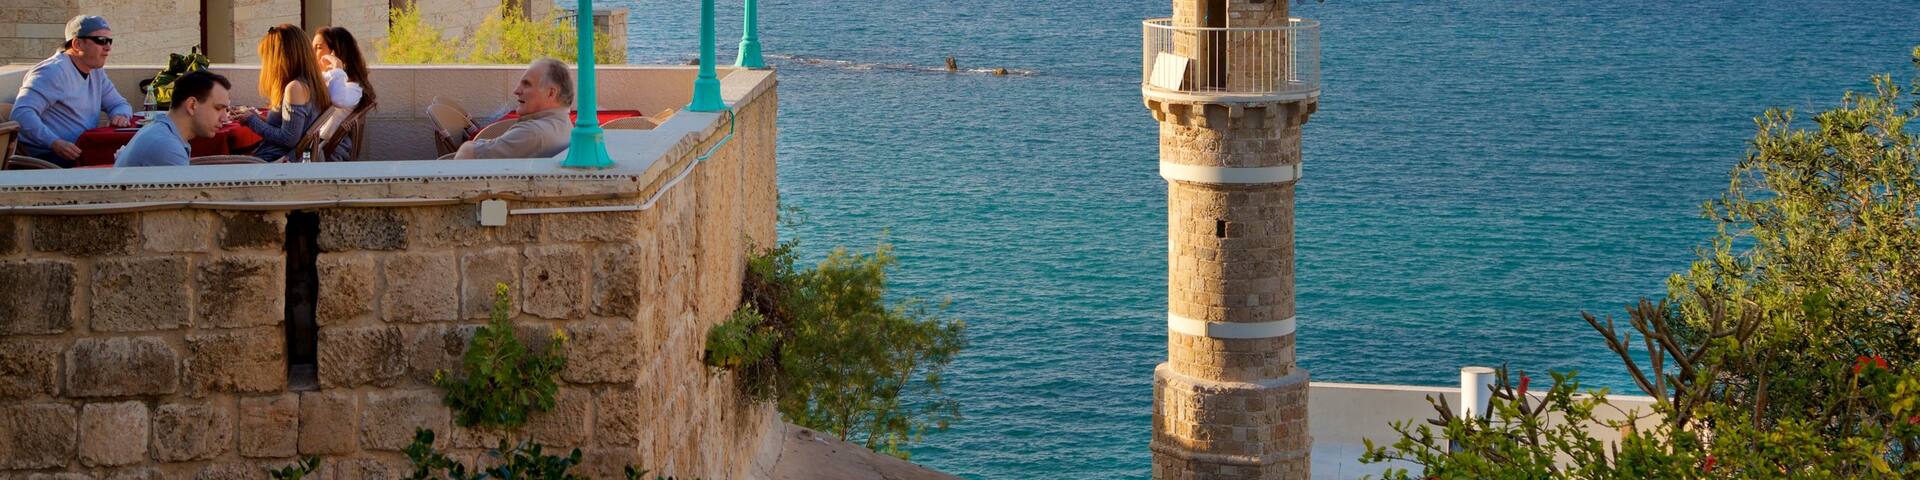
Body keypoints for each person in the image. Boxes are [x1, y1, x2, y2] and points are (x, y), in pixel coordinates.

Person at [8, 15, 133, 167]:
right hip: (52, 159)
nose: (108, 47)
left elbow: (119, 104)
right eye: (101, 40)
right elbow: (21, 114)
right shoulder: (52, 72)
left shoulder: (95, 71)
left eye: (109, 41)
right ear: (77, 44)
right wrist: (54, 143)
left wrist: (120, 115)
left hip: (83, 151)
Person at [233, 24, 330, 162]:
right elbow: (295, 126)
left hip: (275, 162)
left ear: (279, 58)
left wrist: (251, 121)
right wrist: (260, 118)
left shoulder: (295, 88)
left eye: (267, 57)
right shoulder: (312, 83)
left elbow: (288, 139)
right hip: (280, 158)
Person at [454, 58, 573, 160]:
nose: (516, 91)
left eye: (526, 84)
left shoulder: (532, 133)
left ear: (551, 93)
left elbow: (467, 154)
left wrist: (467, 146)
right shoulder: (568, 128)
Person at [114, 71, 232, 167]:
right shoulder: (167, 147)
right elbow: (186, 196)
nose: (225, 118)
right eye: (218, 108)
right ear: (191, 105)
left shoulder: (159, 129)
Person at [311, 26, 374, 161]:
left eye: (319, 48)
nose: (313, 53)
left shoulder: (353, 88)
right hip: (314, 144)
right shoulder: (328, 78)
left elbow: (337, 99)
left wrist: (337, 68)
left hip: (326, 151)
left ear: (336, 53)